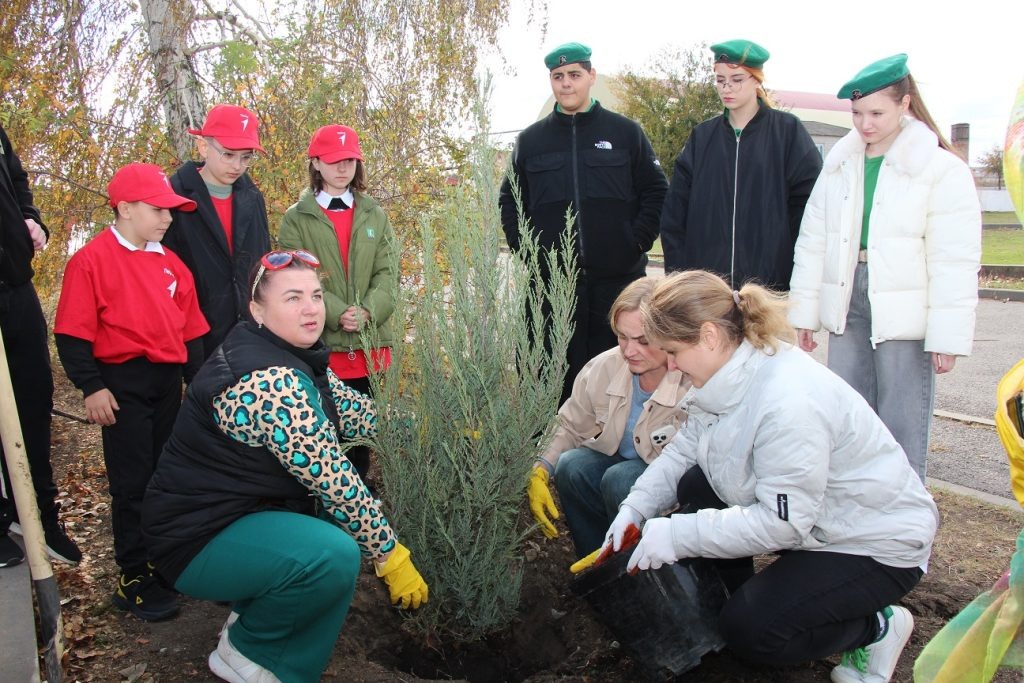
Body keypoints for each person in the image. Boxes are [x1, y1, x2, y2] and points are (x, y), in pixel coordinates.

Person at [599, 270, 938, 683]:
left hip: (873, 541)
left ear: (708, 335)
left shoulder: (787, 402)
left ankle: (876, 629)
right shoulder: (730, 368)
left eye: (672, 351)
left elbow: (784, 523)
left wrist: (678, 534)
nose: (670, 364)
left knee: (752, 631)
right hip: (817, 520)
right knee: (694, 484)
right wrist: (636, 506)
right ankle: (749, 599)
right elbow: (686, 448)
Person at [142, 250, 428, 683]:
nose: (311, 308)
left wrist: (428, 426)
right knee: (332, 554)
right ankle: (257, 660)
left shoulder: (292, 354)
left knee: (327, 537)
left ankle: (251, 625)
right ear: (258, 309)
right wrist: (390, 555)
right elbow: (333, 478)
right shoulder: (268, 379)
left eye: (315, 294)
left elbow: (351, 411)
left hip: (235, 515)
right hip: (195, 538)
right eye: (292, 298)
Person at [789, 54, 981, 480]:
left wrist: (946, 336)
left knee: (902, 423)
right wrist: (805, 312)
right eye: (857, 113)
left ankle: (906, 528)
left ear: (905, 104)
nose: (865, 124)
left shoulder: (941, 169)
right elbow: (814, 240)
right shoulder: (839, 166)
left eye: (876, 112)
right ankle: (857, 522)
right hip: (845, 294)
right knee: (849, 418)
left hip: (905, 306)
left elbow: (954, 258)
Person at [54, 163, 209, 620]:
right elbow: (72, 332)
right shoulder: (92, 260)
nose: (167, 218)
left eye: (171, 211)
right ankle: (132, 576)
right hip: (121, 385)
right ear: (124, 208)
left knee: (166, 474)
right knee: (133, 480)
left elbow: (191, 331)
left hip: (165, 383)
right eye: (158, 209)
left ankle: (164, 561)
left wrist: (197, 386)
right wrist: (92, 385)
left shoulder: (170, 262)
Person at [498, 41, 668, 404]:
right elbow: (509, 200)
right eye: (558, 77)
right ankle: (546, 455)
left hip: (616, 284)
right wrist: (527, 251)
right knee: (546, 379)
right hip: (550, 288)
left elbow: (656, 191)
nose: (566, 84)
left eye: (574, 75)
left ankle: (610, 452)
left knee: (617, 376)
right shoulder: (531, 141)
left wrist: (635, 241)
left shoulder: (626, 133)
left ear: (591, 76)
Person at [527, 277, 688, 558]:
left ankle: (646, 568)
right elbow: (568, 425)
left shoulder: (692, 377)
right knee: (572, 465)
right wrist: (540, 467)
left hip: (672, 482)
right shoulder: (603, 367)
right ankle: (599, 561)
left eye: (643, 341)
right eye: (622, 337)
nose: (628, 351)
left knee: (620, 479)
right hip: (620, 466)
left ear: (670, 336)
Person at [278, 124, 398, 480]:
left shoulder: (374, 214)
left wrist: (368, 312)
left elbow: (388, 273)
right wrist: (334, 312)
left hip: (369, 345)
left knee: (360, 438)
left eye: (350, 160)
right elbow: (294, 275)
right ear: (316, 163)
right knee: (319, 437)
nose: (343, 168)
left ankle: (357, 507)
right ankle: (323, 512)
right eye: (333, 160)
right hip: (320, 346)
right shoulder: (296, 218)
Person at [660, 39, 822, 291]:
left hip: (767, 288)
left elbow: (810, 207)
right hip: (707, 290)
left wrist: (789, 267)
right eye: (720, 80)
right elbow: (675, 212)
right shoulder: (702, 137)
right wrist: (680, 277)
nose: (727, 88)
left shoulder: (787, 132)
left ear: (757, 80)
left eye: (737, 79)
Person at [0, 123, 82, 568]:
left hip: (14, 282)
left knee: (33, 398)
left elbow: (14, 177)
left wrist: (31, 219)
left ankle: (37, 516)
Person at [164, 103, 271, 362]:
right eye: (228, 154)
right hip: (196, 335)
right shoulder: (174, 196)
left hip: (249, 333)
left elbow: (262, 261)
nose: (237, 165)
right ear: (203, 147)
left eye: (246, 157)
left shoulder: (252, 197)